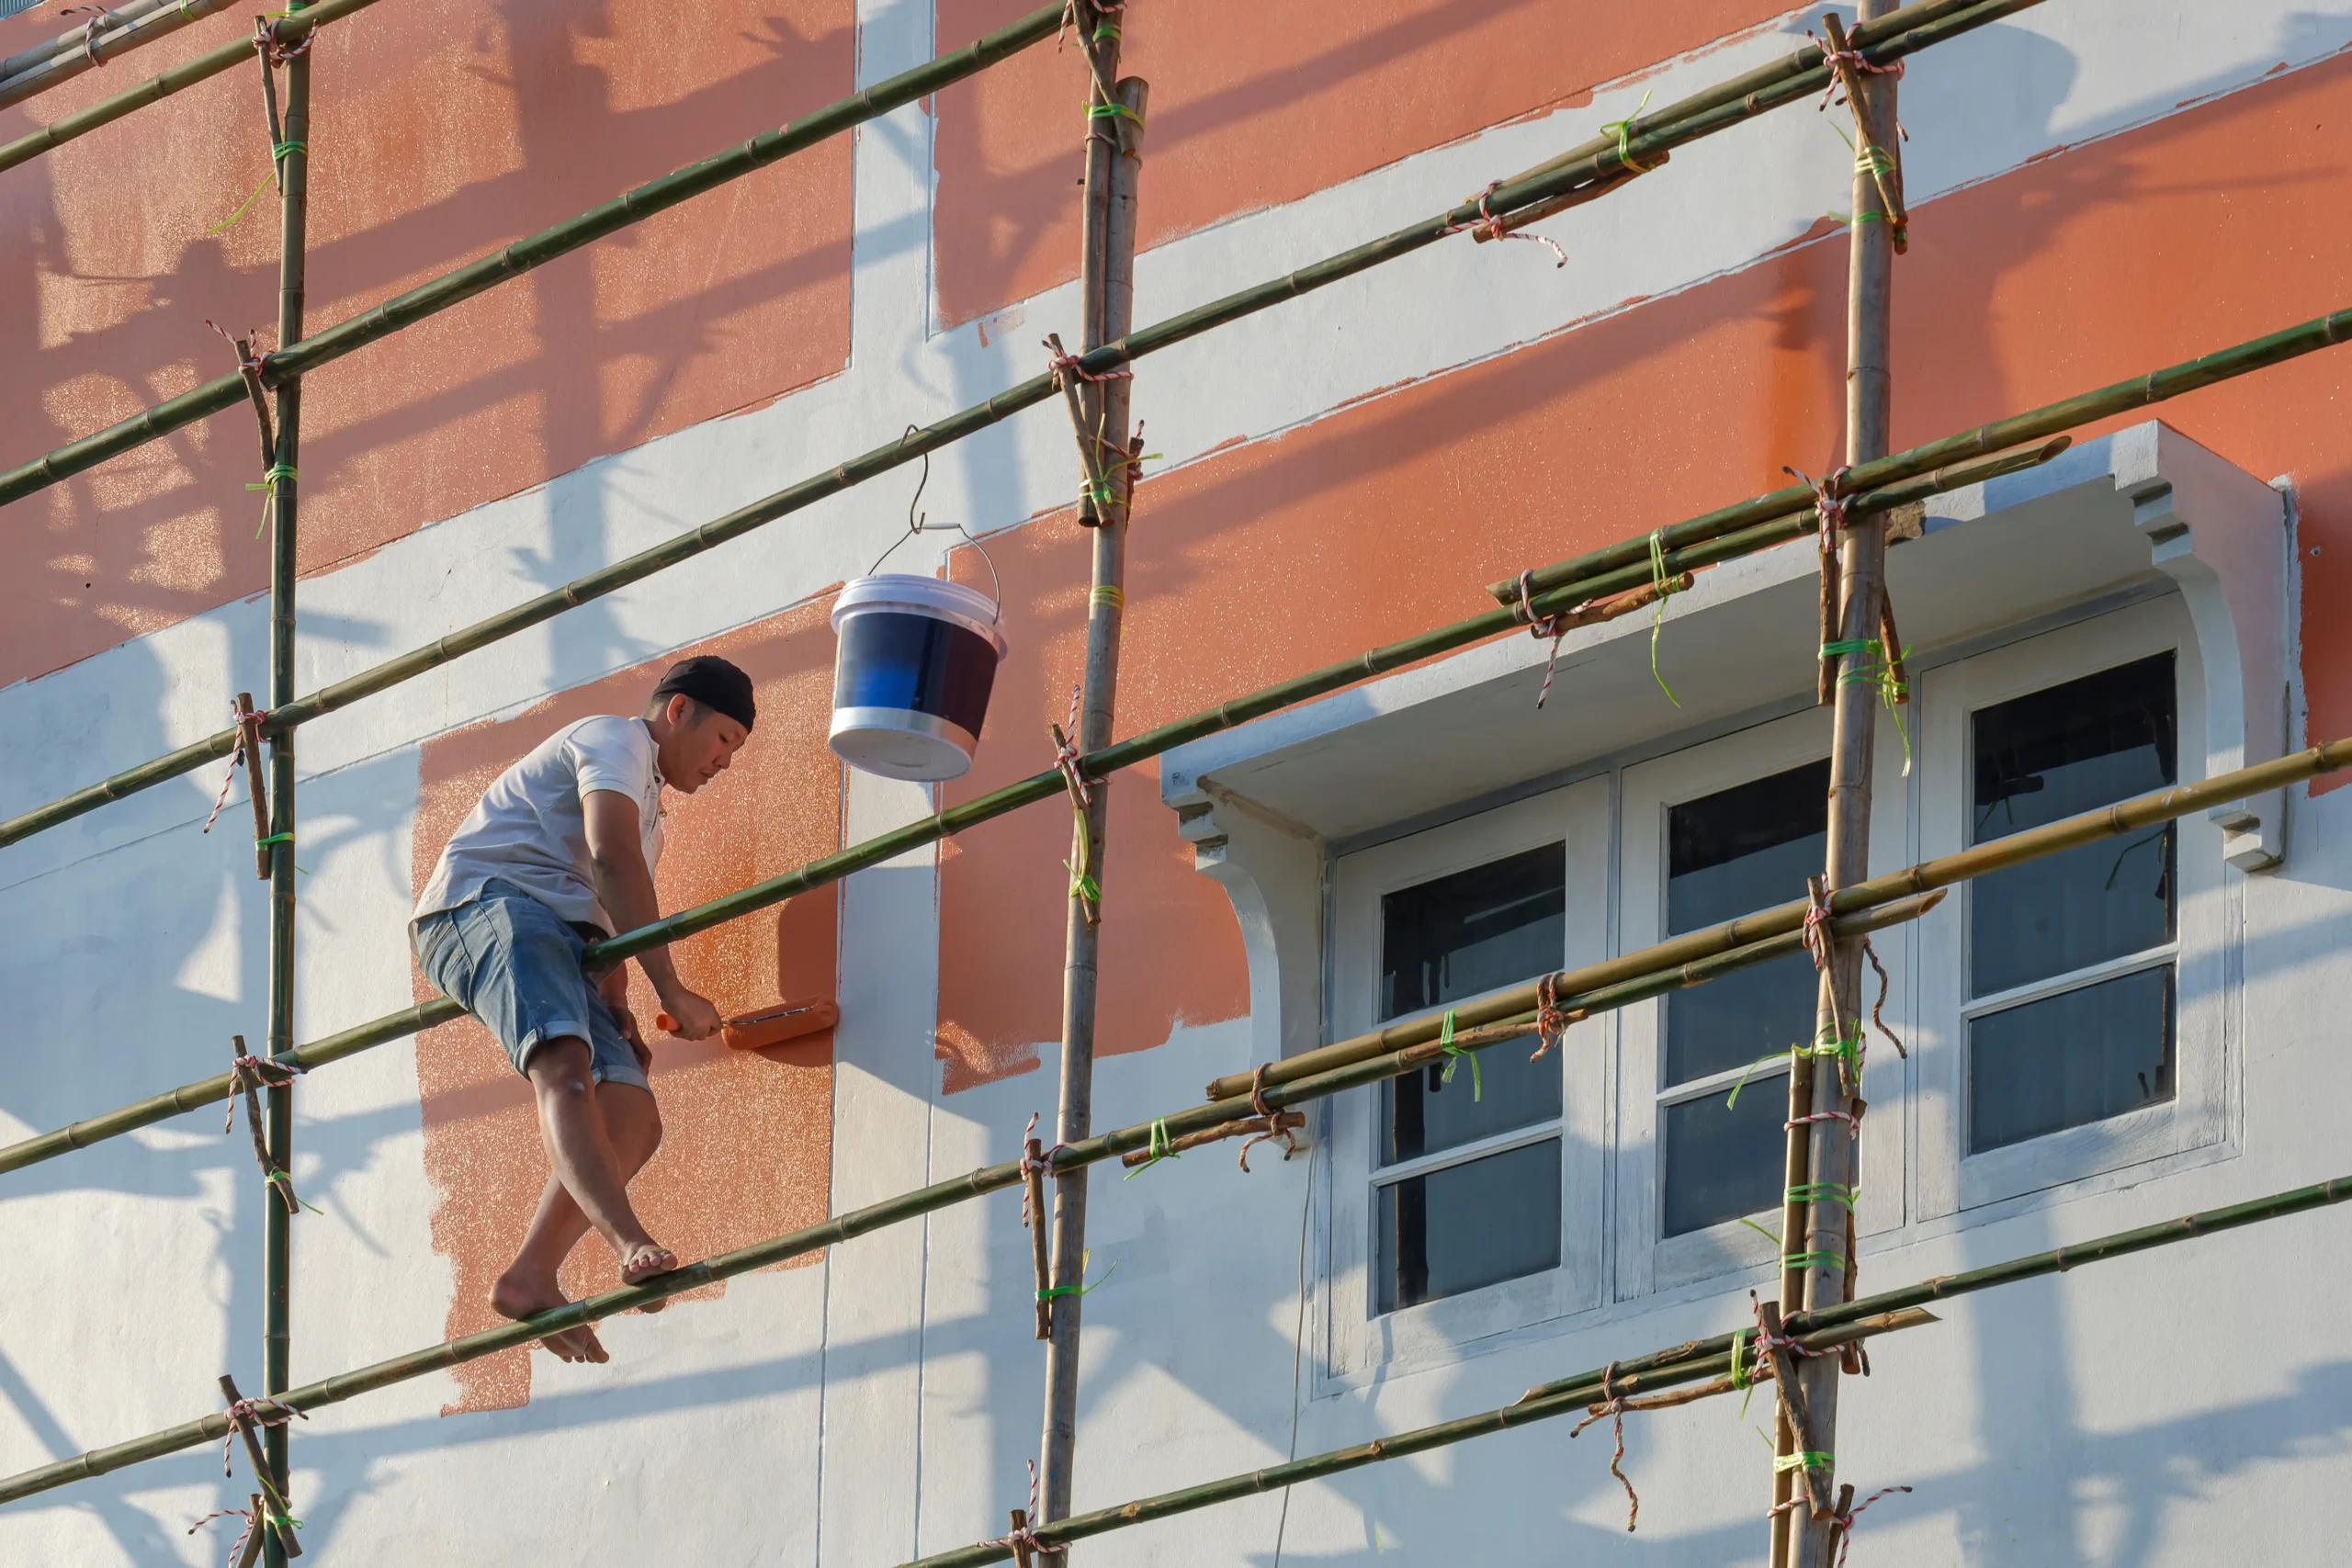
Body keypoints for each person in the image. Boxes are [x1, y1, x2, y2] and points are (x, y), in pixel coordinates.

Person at [411, 656, 753, 1362]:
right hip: (490, 902)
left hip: (562, 939)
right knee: (564, 1065)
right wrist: (671, 988)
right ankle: (628, 1239)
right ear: (680, 710)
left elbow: (604, 909)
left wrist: (619, 994)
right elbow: (609, 859)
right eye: (725, 740)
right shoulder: (614, 740)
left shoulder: (650, 808)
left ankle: (531, 1274)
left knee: (631, 1108)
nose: (725, 764)